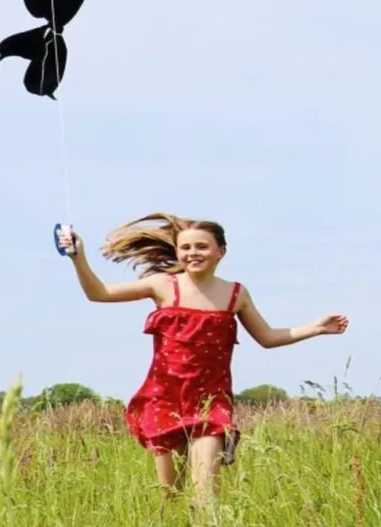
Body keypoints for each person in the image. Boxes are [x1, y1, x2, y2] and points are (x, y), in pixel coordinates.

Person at [57, 212, 347, 506]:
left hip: (211, 403)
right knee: (170, 497)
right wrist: (77, 257)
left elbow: (267, 337)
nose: (192, 253)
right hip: (165, 400)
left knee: (206, 496)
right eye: (185, 248)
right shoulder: (162, 286)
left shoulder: (235, 294)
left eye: (201, 247)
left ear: (221, 251)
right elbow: (99, 293)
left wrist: (316, 328)